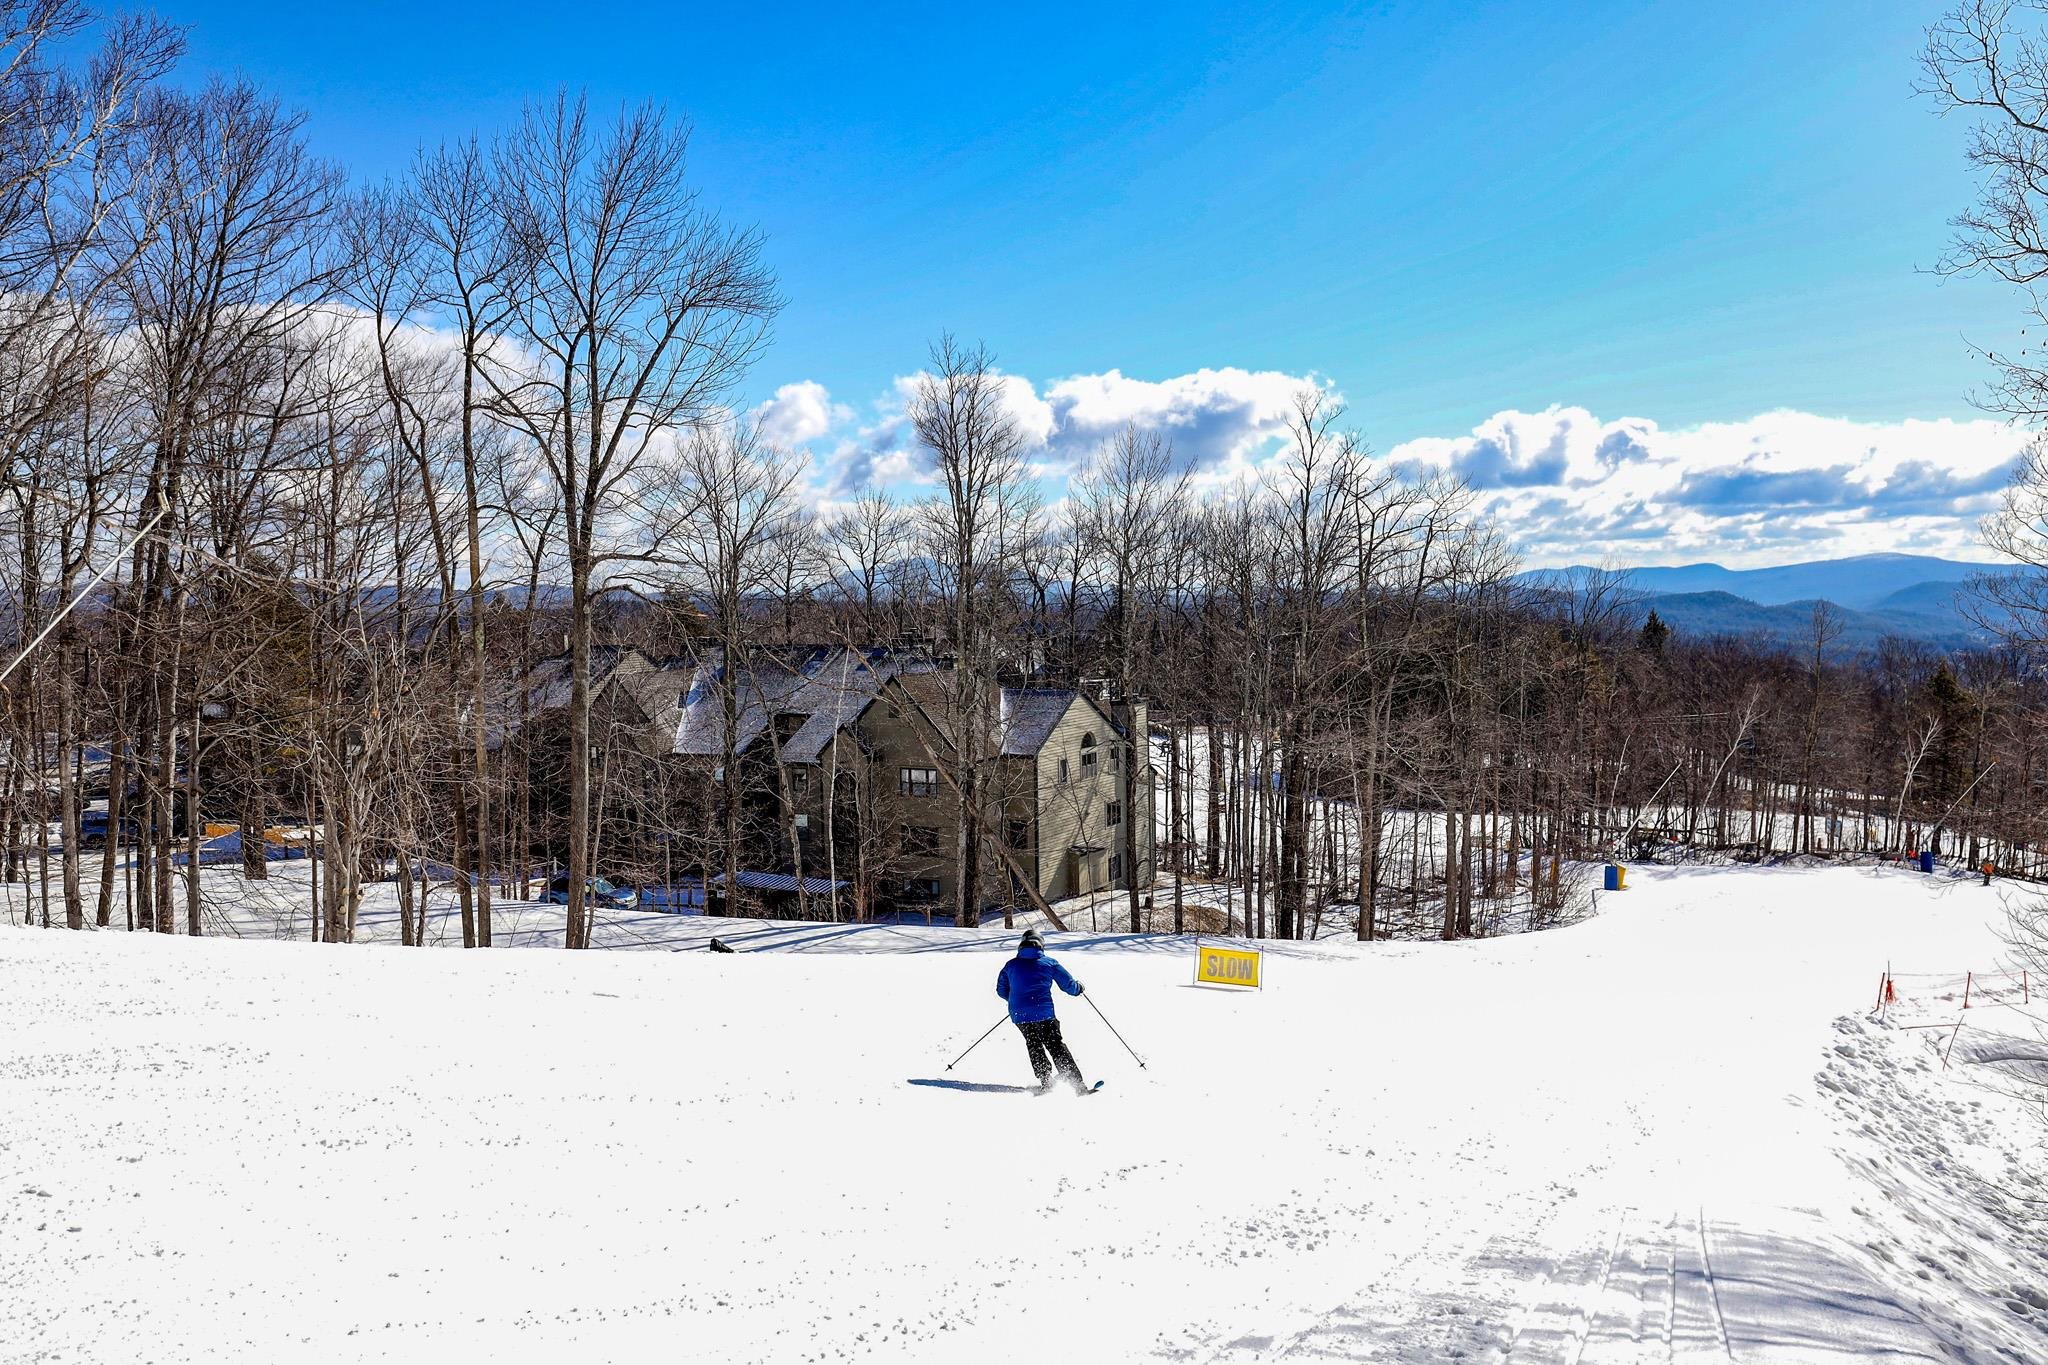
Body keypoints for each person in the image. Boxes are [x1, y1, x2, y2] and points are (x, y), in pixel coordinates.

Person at [996, 929, 1088, 1095]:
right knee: (1055, 1044)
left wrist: (1016, 1000)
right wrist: (1078, 988)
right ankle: (1076, 1083)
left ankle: (1045, 1080)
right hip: (1044, 1013)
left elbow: (1001, 990)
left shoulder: (1011, 965)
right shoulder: (1049, 963)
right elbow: (1068, 985)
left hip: (1019, 1014)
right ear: (1041, 945)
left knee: (1033, 1043)